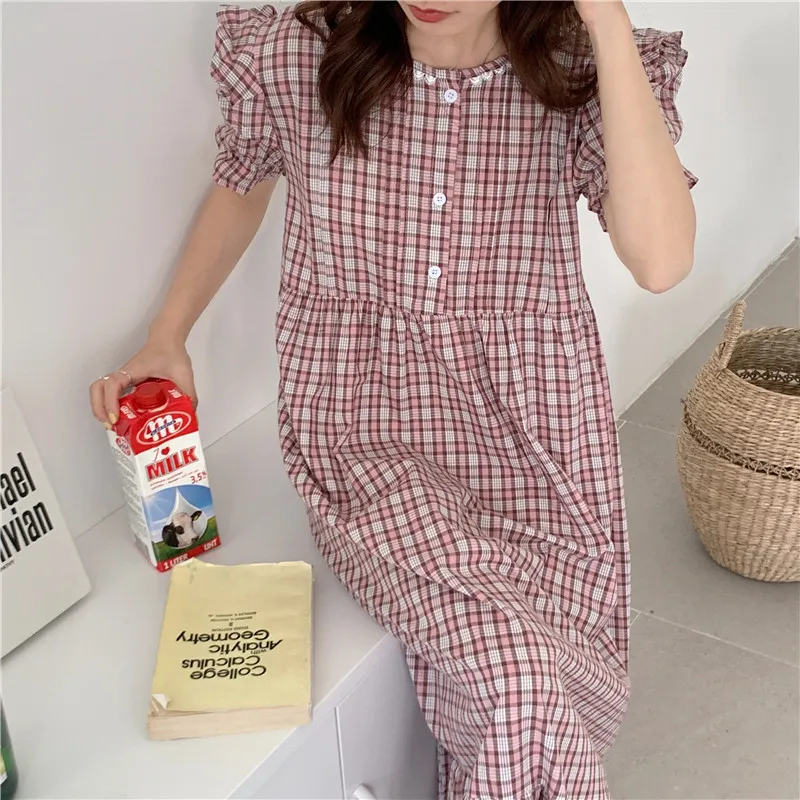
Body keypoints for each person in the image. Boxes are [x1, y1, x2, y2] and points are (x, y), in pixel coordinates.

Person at [90, 1, 696, 796]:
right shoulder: (301, 53)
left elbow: (661, 260)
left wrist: (608, 25)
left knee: (552, 661)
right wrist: (168, 332)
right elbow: (243, 183)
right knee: (517, 675)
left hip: (533, 434)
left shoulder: (577, 68)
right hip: (365, 431)